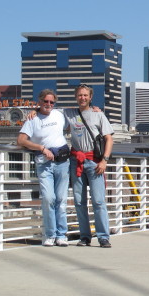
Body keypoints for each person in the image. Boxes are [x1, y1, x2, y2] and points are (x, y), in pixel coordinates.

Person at [17, 89, 70, 247]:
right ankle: (50, 234)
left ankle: (61, 235)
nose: (49, 104)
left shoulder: (60, 115)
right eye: (45, 101)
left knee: (61, 200)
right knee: (48, 199)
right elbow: (20, 140)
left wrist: (94, 109)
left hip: (62, 162)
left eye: (51, 102)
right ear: (39, 102)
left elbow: (76, 119)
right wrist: (40, 147)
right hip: (43, 163)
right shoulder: (32, 119)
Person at [66, 84, 115, 248]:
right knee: (79, 202)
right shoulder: (69, 114)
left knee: (98, 201)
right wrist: (34, 111)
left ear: (90, 97)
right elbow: (48, 112)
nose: (83, 98)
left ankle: (103, 237)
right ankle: (85, 236)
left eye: (85, 95)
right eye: (80, 95)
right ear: (75, 96)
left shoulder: (98, 115)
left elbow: (109, 138)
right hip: (76, 161)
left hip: (94, 162)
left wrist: (104, 160)